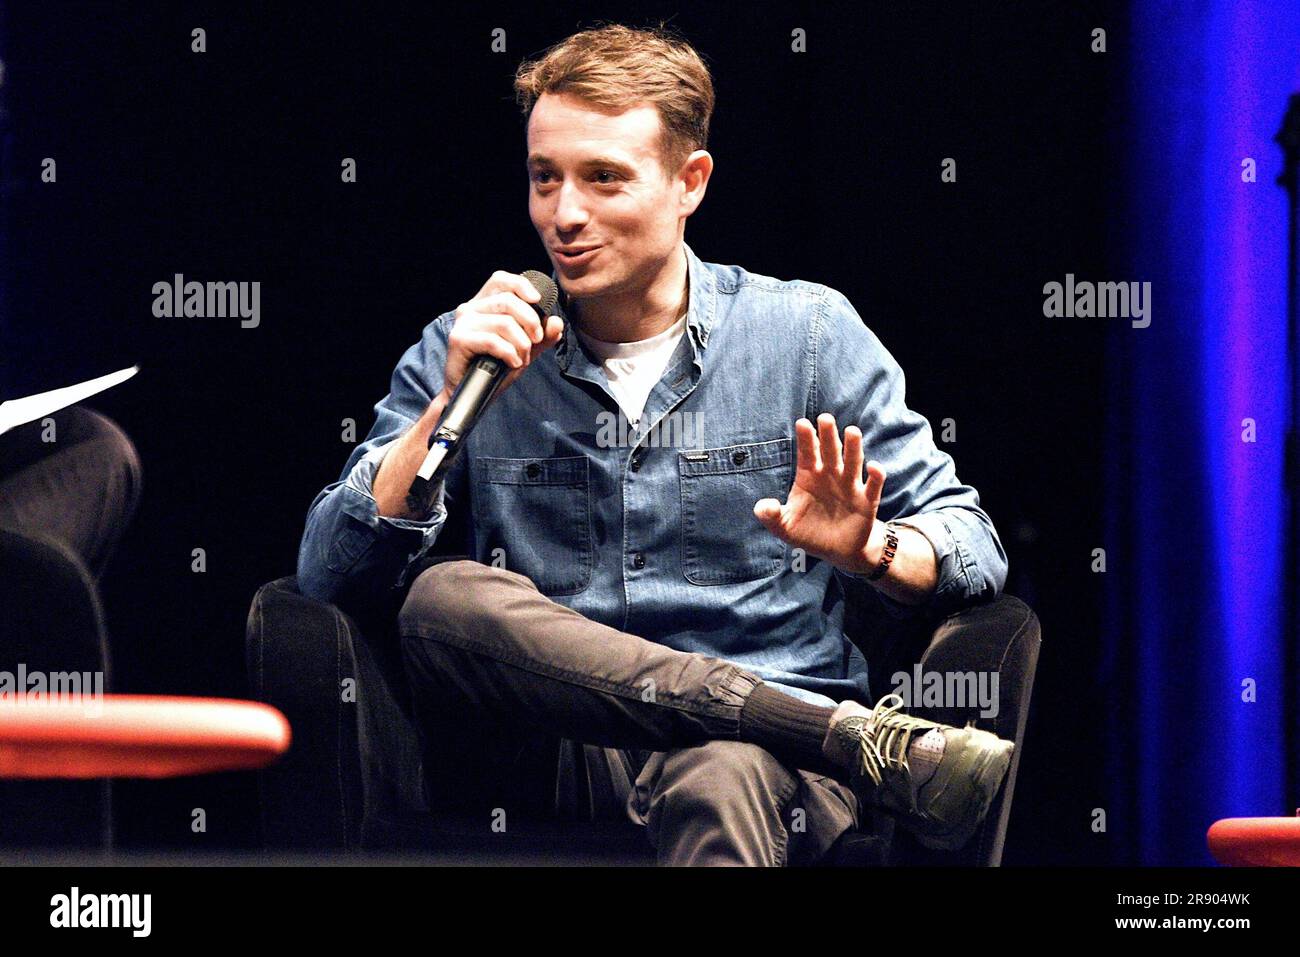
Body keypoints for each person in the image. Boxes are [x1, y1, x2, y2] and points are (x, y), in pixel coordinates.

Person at [297, 24, 1013, 866]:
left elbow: (972, 543)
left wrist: (872, 548)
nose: (564, 215)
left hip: (768, 770)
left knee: (721, 767)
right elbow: (327, 572)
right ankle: (837, 732)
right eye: (544, 179)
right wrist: (446, 406)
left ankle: (772, 725)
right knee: (443, 596)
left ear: (689, 182)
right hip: (567, 755)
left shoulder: (806, 335)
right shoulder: (474, 347)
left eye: (604, 178)